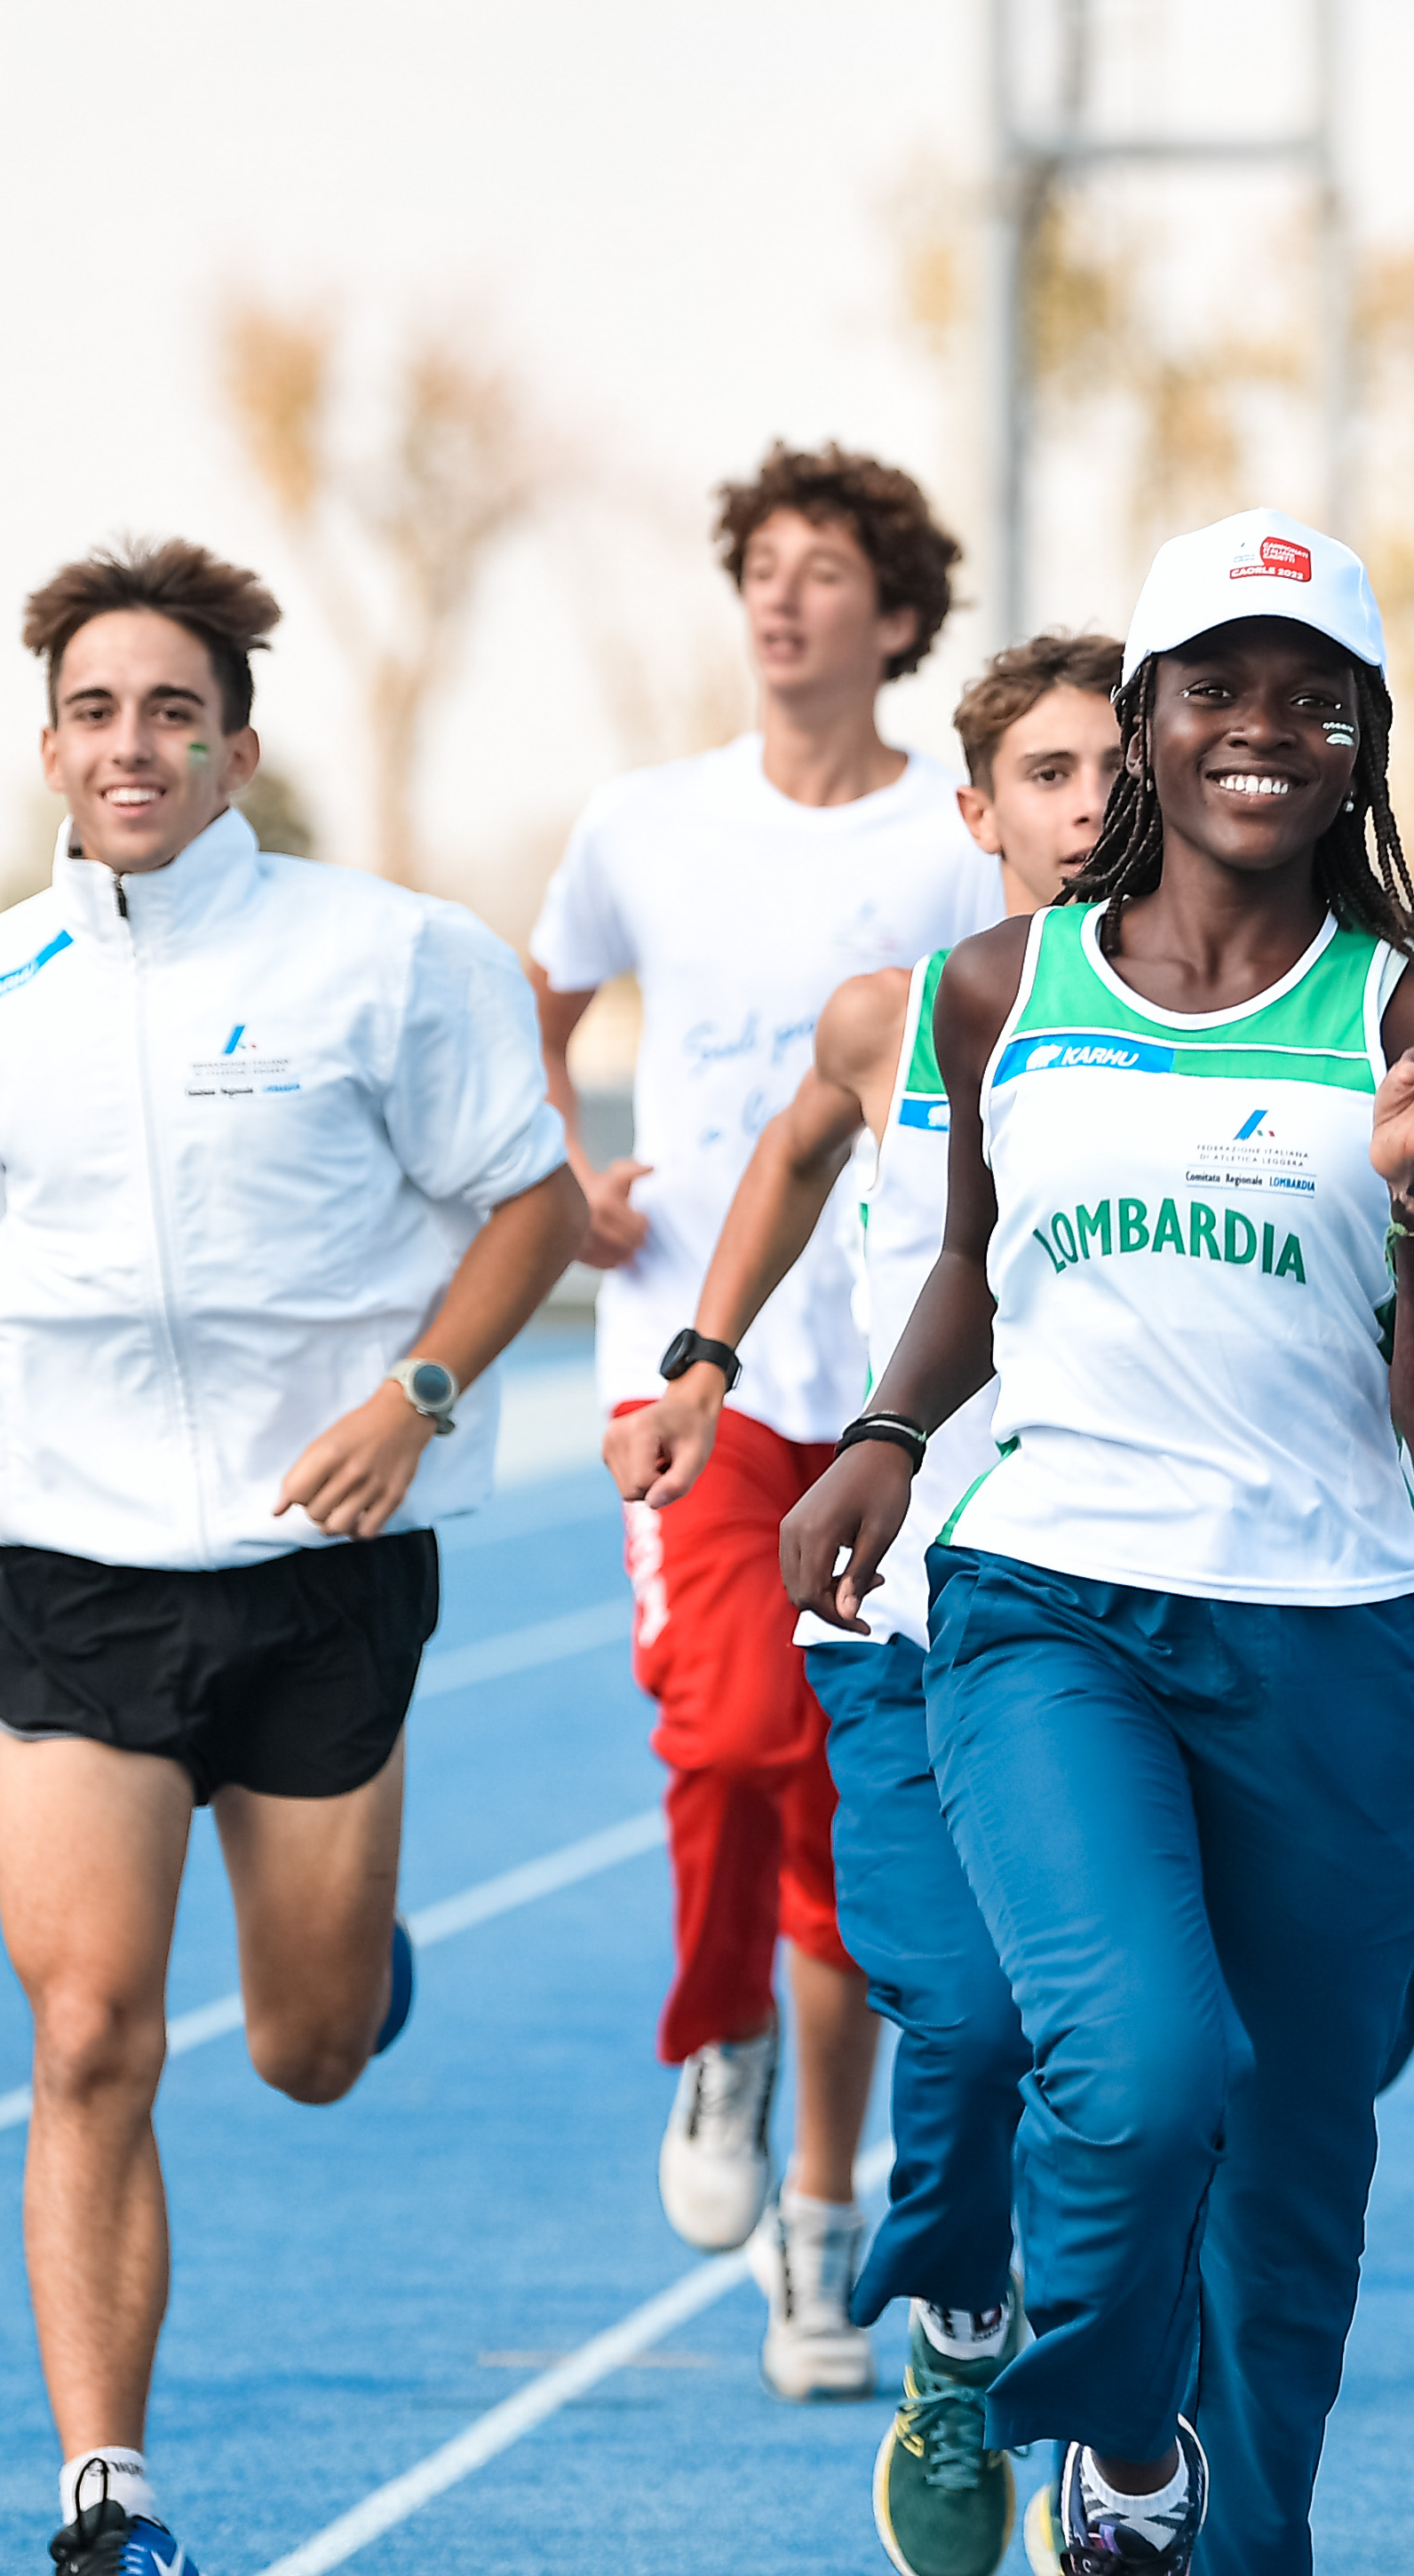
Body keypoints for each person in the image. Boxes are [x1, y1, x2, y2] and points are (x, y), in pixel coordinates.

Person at [0, 540, 584, 2576]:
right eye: (97, 712)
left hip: (320, 1578)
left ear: (236, 748)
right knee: (90, 2032)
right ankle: (112, 2522)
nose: (133, 745)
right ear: (51, 748)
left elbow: (533, 1201)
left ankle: (343, 1962)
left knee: (302, 2054)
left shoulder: (391, 960)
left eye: (172, 712)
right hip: (78, 1581)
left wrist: (415, 1398)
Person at [778, 507, 1414, 2576]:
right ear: (1143, 722)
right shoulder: (1001, 985)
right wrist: (882, 1434)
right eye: (1215, 686)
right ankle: (1115, 2465)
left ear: (1364, 738)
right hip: (1053, 1603)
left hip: (1329, 1637)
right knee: (1139, 2061)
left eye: (1312, 696)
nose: (1260, 729)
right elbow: (966, 1270)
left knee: (1284, 2211)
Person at [607, 629, 1121, 2576]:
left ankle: (1120, 2462)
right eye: (1051, 773)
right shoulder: (890, 1021)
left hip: (1132, 1619)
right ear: (975, 812)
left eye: (1119, 768)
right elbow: (793, 1155)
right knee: (970, 2022)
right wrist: (702, 1359)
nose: (1092, 805)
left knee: (1136, 2056)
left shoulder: (1233, 1026)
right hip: (906, 1616)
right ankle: (962, 2333)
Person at [528, 443, 1000, 2398]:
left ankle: (817, 2223)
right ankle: (715, 2035)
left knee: (838, 1807)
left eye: (826, 571)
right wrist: (565, 1178)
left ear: (898, 617)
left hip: (895, 1380)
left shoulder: (956, 849)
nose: (784, 598)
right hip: (692, 1368)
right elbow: (540, 1005)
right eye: (764, 568)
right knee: (729, 1733)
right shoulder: (645, 823)